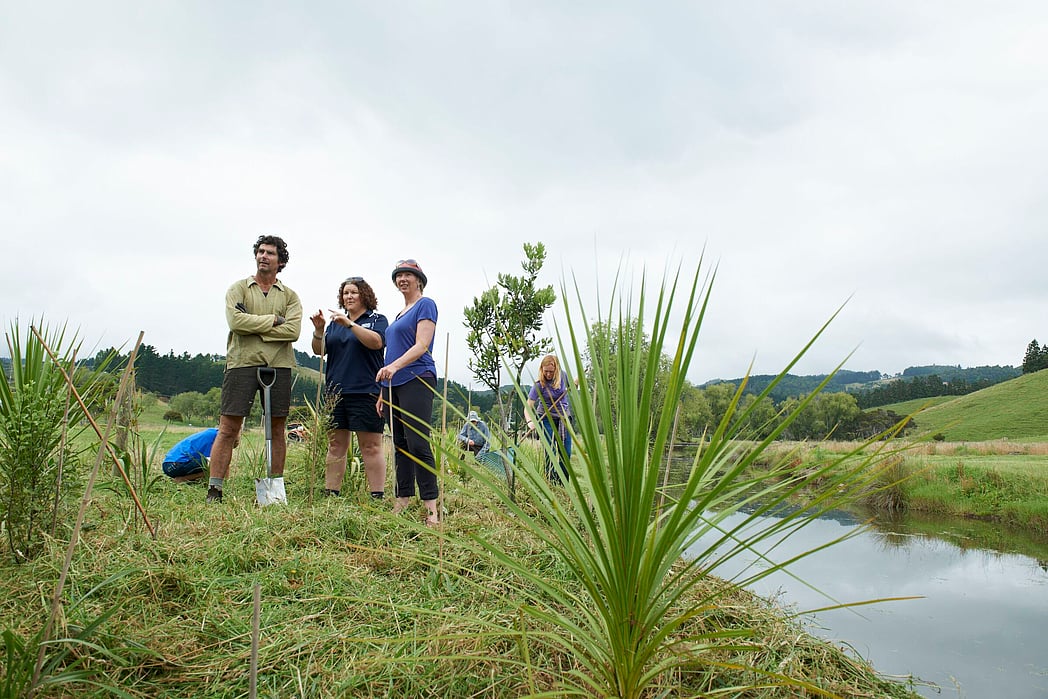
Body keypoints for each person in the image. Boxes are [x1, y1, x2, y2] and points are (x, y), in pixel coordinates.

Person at [206, 235, 302, 503]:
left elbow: (293, 331)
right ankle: (215, 488)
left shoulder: (290, 296)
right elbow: (235, 322)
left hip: (278, 365)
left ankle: (275, 488)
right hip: (242, 363)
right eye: (260, 251)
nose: (263, 256)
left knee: (277, 428)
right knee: (228, 427)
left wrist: (255, 326)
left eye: (270, 253)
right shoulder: (238, 289)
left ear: (280, 261)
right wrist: (273, 321)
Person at [309, 276, 388, 498]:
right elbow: (319, 350)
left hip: (366, 390)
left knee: (370, 446)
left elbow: (377, 342)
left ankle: (376, 496)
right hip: (336, 391)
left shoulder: (376, 319)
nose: (349, 296)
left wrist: (351, 325)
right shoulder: (335, 324)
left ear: (365, 295)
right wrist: (318, 330)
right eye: (345, 293)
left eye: (354, 292)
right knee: (335, 445)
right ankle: (331, 493)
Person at [375, 259, 440, 527]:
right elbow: (392, 351)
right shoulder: (400, 314)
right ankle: (402, 498)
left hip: (417, 378)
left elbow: (422, 345)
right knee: (400, 444)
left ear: (418, 280)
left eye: (408, 275)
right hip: (393, 384)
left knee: (417, 443)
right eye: (399, 275)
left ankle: (432, 509)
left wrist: (394, 366)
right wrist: (382, 391)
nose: (403, 279)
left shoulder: (426, 304)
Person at [525, 354, 573, 484]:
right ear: (542, 369)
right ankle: (550, 482)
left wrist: (575, 384)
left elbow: (573, 388)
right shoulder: (539, 385)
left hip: (564, 417)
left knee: (566, 452)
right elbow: (528, 406)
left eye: (551, 371)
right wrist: (530, 422)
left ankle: (562, 483)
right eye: (545, 371)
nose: (548, 374)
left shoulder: (563, 376)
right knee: (550, 450)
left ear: (556, 369)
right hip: (546, 418)